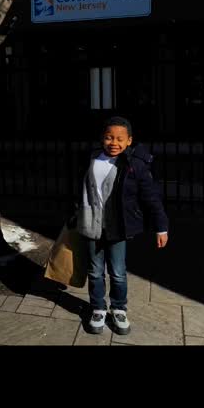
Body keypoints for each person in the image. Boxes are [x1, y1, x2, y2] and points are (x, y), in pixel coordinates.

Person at [76, 115, 168, 336]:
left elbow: (151, 196)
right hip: (91, 223)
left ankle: (118, 308)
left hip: (118, 226)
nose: (113, 143)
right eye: (109, 137)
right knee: (95, 271)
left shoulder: (134, 164)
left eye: (119, 139)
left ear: (129, 141)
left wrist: (161, 226)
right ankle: (98, 307)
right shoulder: (91, 158)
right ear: (102, 138)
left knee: (117, 272)